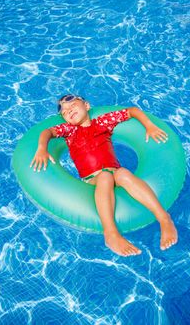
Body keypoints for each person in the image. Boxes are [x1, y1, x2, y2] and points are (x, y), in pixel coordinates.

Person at [30, 95, 178, 257]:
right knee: (105, 177)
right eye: (64, 112)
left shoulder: (103, 122)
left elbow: (132, 111)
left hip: (115, 173)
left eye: (72, 105)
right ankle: (111, 234)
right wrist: (41, 148)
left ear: (87, 105)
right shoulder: (69, 131)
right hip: (93, 180)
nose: (68, 110)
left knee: (123, 173)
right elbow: (47, 132)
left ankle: (164, 218)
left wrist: (149, 126)